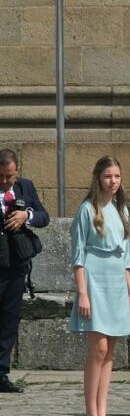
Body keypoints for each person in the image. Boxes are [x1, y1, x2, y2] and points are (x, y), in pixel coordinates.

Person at [69, 156, 130, 416]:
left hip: (117, 283)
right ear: (98, 178)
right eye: (109, 176)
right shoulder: (87, 210)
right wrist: (82, 293)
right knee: (97, 348)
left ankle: (102, 412)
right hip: (95, 280)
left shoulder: (122, 211)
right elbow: (78, 257)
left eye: (117, 176)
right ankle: (89, 414)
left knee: (110, 351)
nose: (113, 181)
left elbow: (126, 257)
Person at [0, 149, 49, 394]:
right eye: (0, 177)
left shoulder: (25, 188)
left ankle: (2, 372)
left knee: (9, 319)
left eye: (9, 176)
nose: (5, 181)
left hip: (16, 264)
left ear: (16, 171)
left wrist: (25, 215)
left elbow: (44, 216)